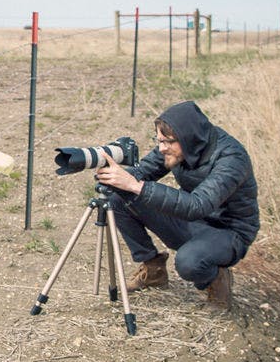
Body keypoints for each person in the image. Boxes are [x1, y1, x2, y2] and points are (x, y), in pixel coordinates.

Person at [94, 101, 259, 310]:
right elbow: (143, 171)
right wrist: (115, 177)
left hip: (228, 231)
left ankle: (217, 278)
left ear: (188, 138)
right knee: (118, 198)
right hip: (191, 219)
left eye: (167, 142)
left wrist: (136, 185)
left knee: (189, 262)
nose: (162, 148)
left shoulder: (231, 158)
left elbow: (198, 205)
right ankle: (153, 270)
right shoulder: (177, 145)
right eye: (159, 141)